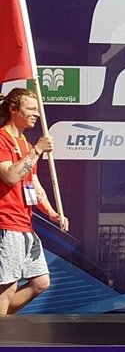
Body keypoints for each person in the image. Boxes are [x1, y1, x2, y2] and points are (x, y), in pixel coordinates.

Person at [0, 88, 69, 315]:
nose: (36, 114)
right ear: (13, 109)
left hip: (25, 224)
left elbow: (34, 184)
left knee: (40, 282)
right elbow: (10, 176)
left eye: (37, 110)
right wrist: (38, 149)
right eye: (31, 109)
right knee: (7, 287)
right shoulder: (2, 139)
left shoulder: (26, 145)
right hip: (6, 223)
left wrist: (51, 212)